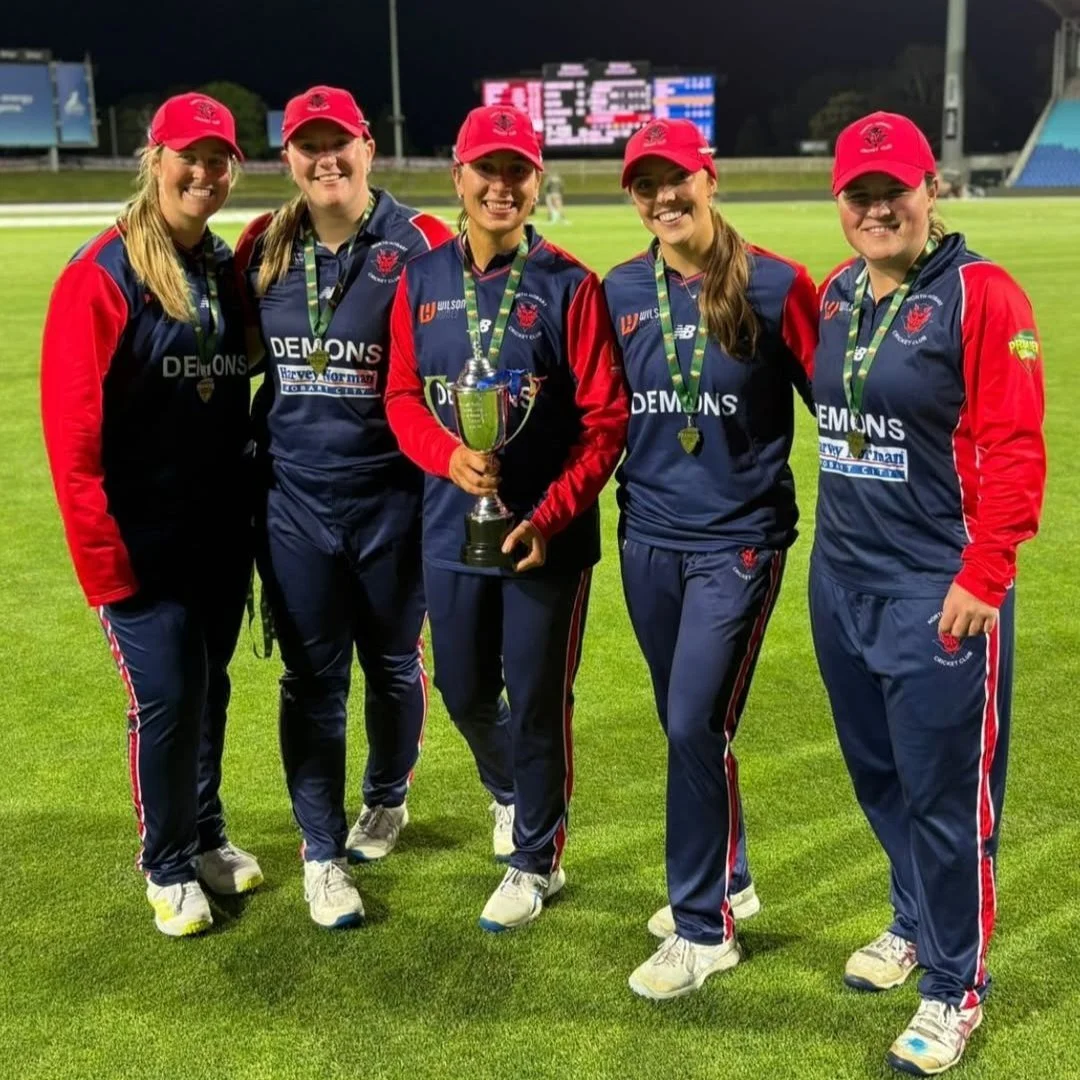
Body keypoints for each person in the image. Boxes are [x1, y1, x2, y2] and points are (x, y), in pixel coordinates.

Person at [812, 111, 1046, 1075]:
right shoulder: (833, 297)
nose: (879, 209)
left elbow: (1016, 443)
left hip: (937, 592)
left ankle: (956, 987)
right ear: (842, 202)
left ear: (929, 190)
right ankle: (912, 921)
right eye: (861, 195)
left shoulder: (981, 292)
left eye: (894, 191)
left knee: (950, 803)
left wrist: (985, 574)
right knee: (879, 780)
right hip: (843, 583)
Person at [385, 104, 628, 931]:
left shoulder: (571, 284)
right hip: (452, 522)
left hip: (544, 541)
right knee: (459, 688)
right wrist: (445, 456)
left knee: (535, 699)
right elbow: (400, 396)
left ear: (537, 182)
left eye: (517, 171)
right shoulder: (420, 280)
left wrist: (551, 515)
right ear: (457, 178)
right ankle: (517, 795)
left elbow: (604, 423)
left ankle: (535, 858)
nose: (501, 185)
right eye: (486, 170)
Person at [603, 118, 818, 999]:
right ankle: (731, 874)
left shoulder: (775, 284)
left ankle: (703, 928)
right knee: (687, 724)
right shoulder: (619, 289)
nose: (663, 197)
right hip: (646, 538)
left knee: (694, 721)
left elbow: (837, 404)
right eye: (645, 185)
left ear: (710, 177)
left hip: (736, 545)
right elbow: (600, 415)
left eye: (676, 179)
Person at [41, 93, 262, 938]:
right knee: (167, 697)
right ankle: (166, 865)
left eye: (218, 160)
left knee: (208, 690)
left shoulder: (217, 267)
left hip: (215, 538)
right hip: (138, 544)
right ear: (155, 157)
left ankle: (204, 834)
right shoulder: (100, 275)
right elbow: (73, 442)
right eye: (189, 156)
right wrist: (103, 561)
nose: (203, 173)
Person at [234, 86, 453, 929]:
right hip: (295, 506)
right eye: (306, 146)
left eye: (340, 144)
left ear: (369, 147)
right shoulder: (265, 242)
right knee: (310, 681)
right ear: (288, 158)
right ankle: (321, 853)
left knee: (395, 666)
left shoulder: (423, 242)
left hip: (395, 501)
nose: (325, 160)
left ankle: (387, 797)